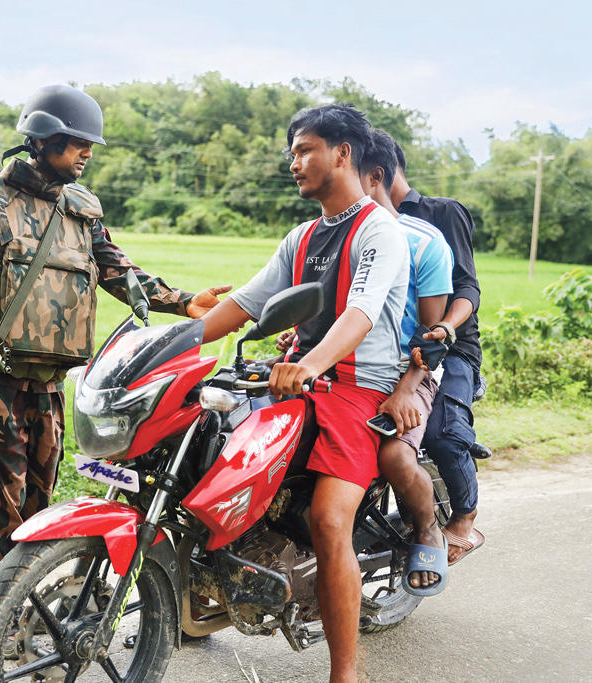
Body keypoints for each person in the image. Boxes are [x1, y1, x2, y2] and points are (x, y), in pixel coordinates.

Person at [0, 84, 229, 583]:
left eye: (89, 145)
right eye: (78, 142)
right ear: (43, 137)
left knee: (39, 510)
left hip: (50, 385)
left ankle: (26, 610)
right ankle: (3, 624)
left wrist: (183, 301)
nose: (86, 153)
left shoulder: (81, 210)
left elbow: (116, 269)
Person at [202, 104, 408, 683]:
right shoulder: (304, 235)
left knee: (327, 519)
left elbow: (361, 314)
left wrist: (311, 364)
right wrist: (175, 339)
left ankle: (348, 670)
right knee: (207, 453)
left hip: (357, 388)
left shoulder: (378, 230)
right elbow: (245, 303)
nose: (293, 163)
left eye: (304, 150)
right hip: (299, 376)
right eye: (292, 151)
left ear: (342, 154)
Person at [389, 141, 486, 564]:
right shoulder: (360, 222)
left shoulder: (441, 212)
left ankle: (464, 521)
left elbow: (467, 286)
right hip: (390, 349)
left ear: (379, 168)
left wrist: (445, 327)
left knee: (442, 435)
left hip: (451, 346)